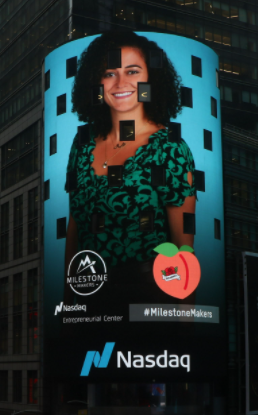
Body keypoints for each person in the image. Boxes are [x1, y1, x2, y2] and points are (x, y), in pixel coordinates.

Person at [66, 31, 195, 305]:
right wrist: (68, 304)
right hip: (87, 299)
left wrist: (185, 321)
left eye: (133, 71)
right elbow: (74, 231)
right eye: (109, 73)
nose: (120, 82)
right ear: (97, 82)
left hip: (150, 299)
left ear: (152, 79)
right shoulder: (82, 144)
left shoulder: (169, 148)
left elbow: (184, 246)